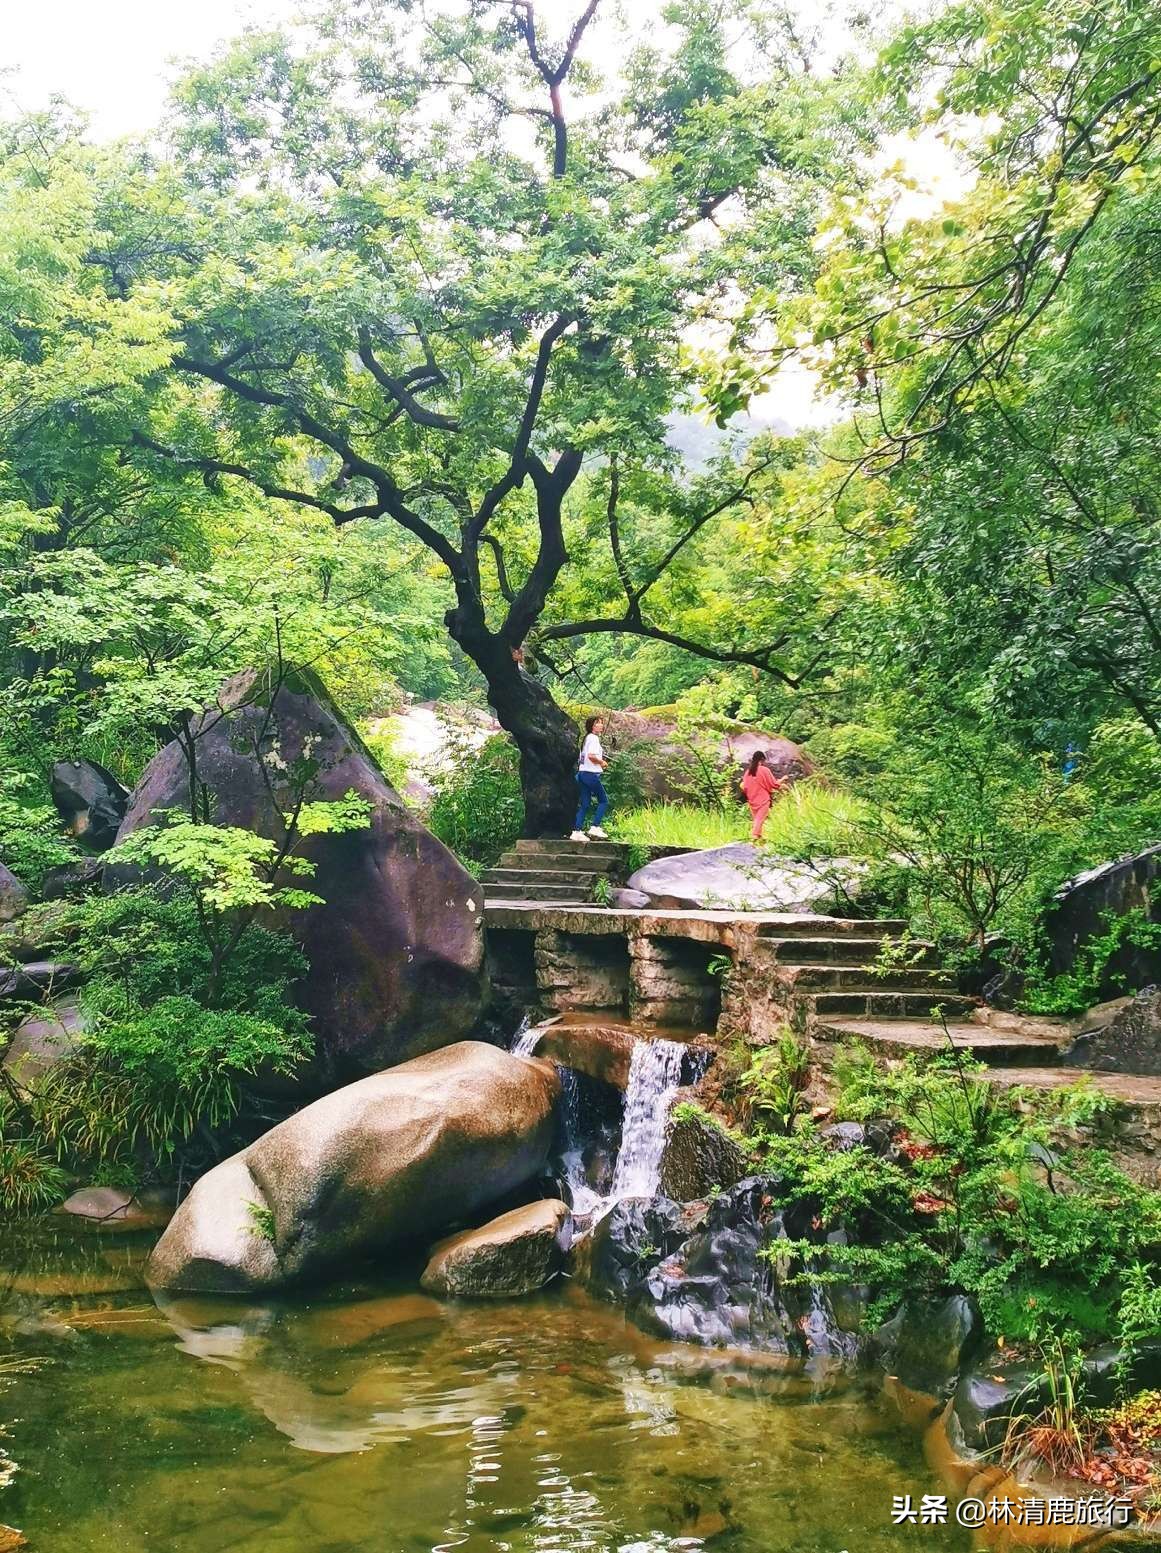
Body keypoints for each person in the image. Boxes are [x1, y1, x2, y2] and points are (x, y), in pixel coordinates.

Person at [571, 714, 610, 841]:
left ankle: (576, 831)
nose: (601, 725)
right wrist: (602, 762)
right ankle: (595, 826)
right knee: (603, 801)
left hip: (582, 774)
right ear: (592, 726)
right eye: (598, 723)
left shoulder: (587, 738)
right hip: (590, 774)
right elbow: (591, 756)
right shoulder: (593, 738)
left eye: (601, 722)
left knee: (585, 804)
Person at [740, 750, 783, 840]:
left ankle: (759, 839)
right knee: (760, 820)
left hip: (752, 799)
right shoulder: (764, 770)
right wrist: (782, 780)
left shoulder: (748, 772)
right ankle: (755, 837)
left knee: (757, 820)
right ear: (762, 760)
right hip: (763, 799)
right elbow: (774, 784)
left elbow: (745, 787)